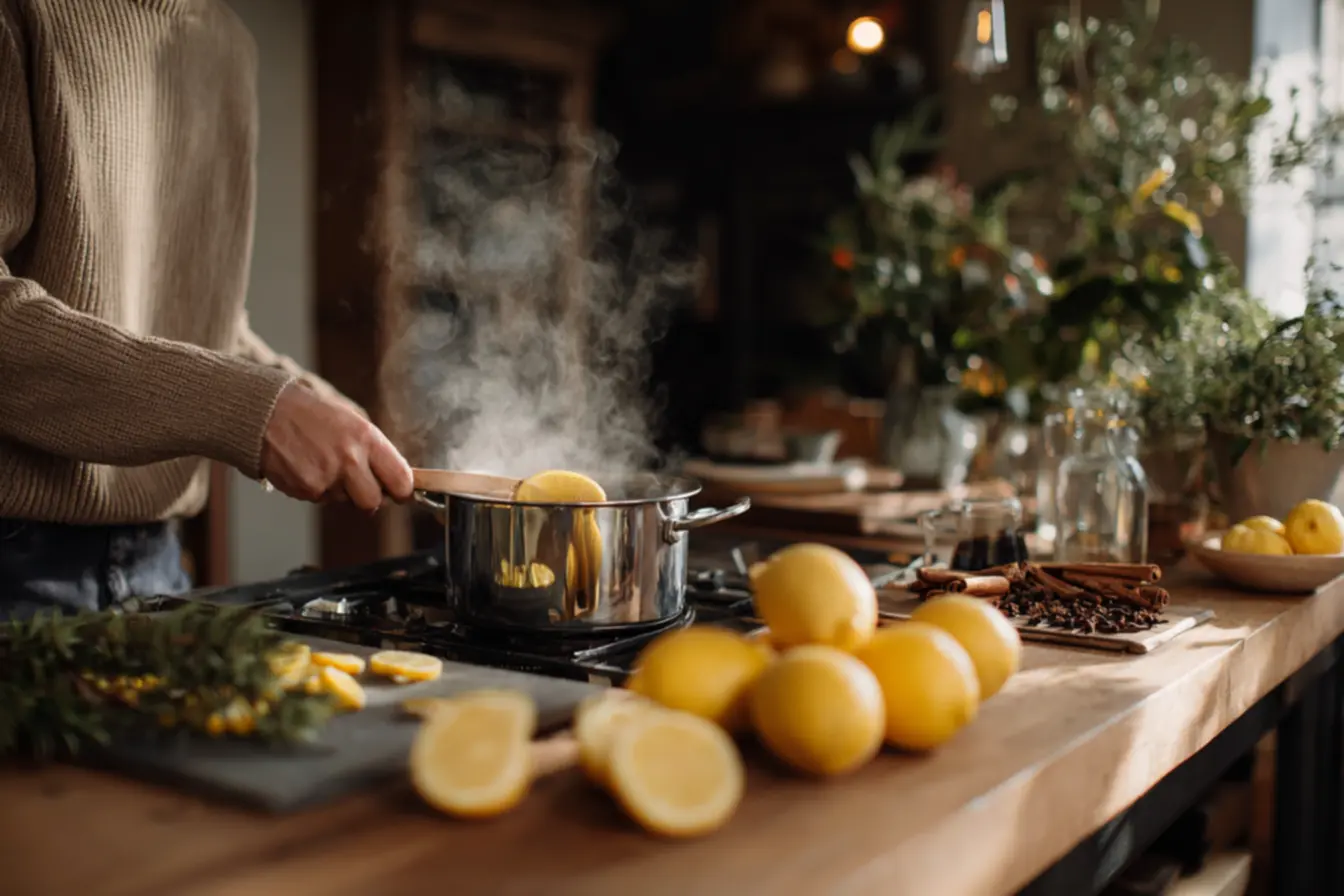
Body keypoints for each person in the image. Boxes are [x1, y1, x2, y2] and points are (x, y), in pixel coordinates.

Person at [0, 0, 414, 619]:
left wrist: (311, 403)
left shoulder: (228, 44)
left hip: (160, 566)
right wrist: (256, 409)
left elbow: (205, 321)